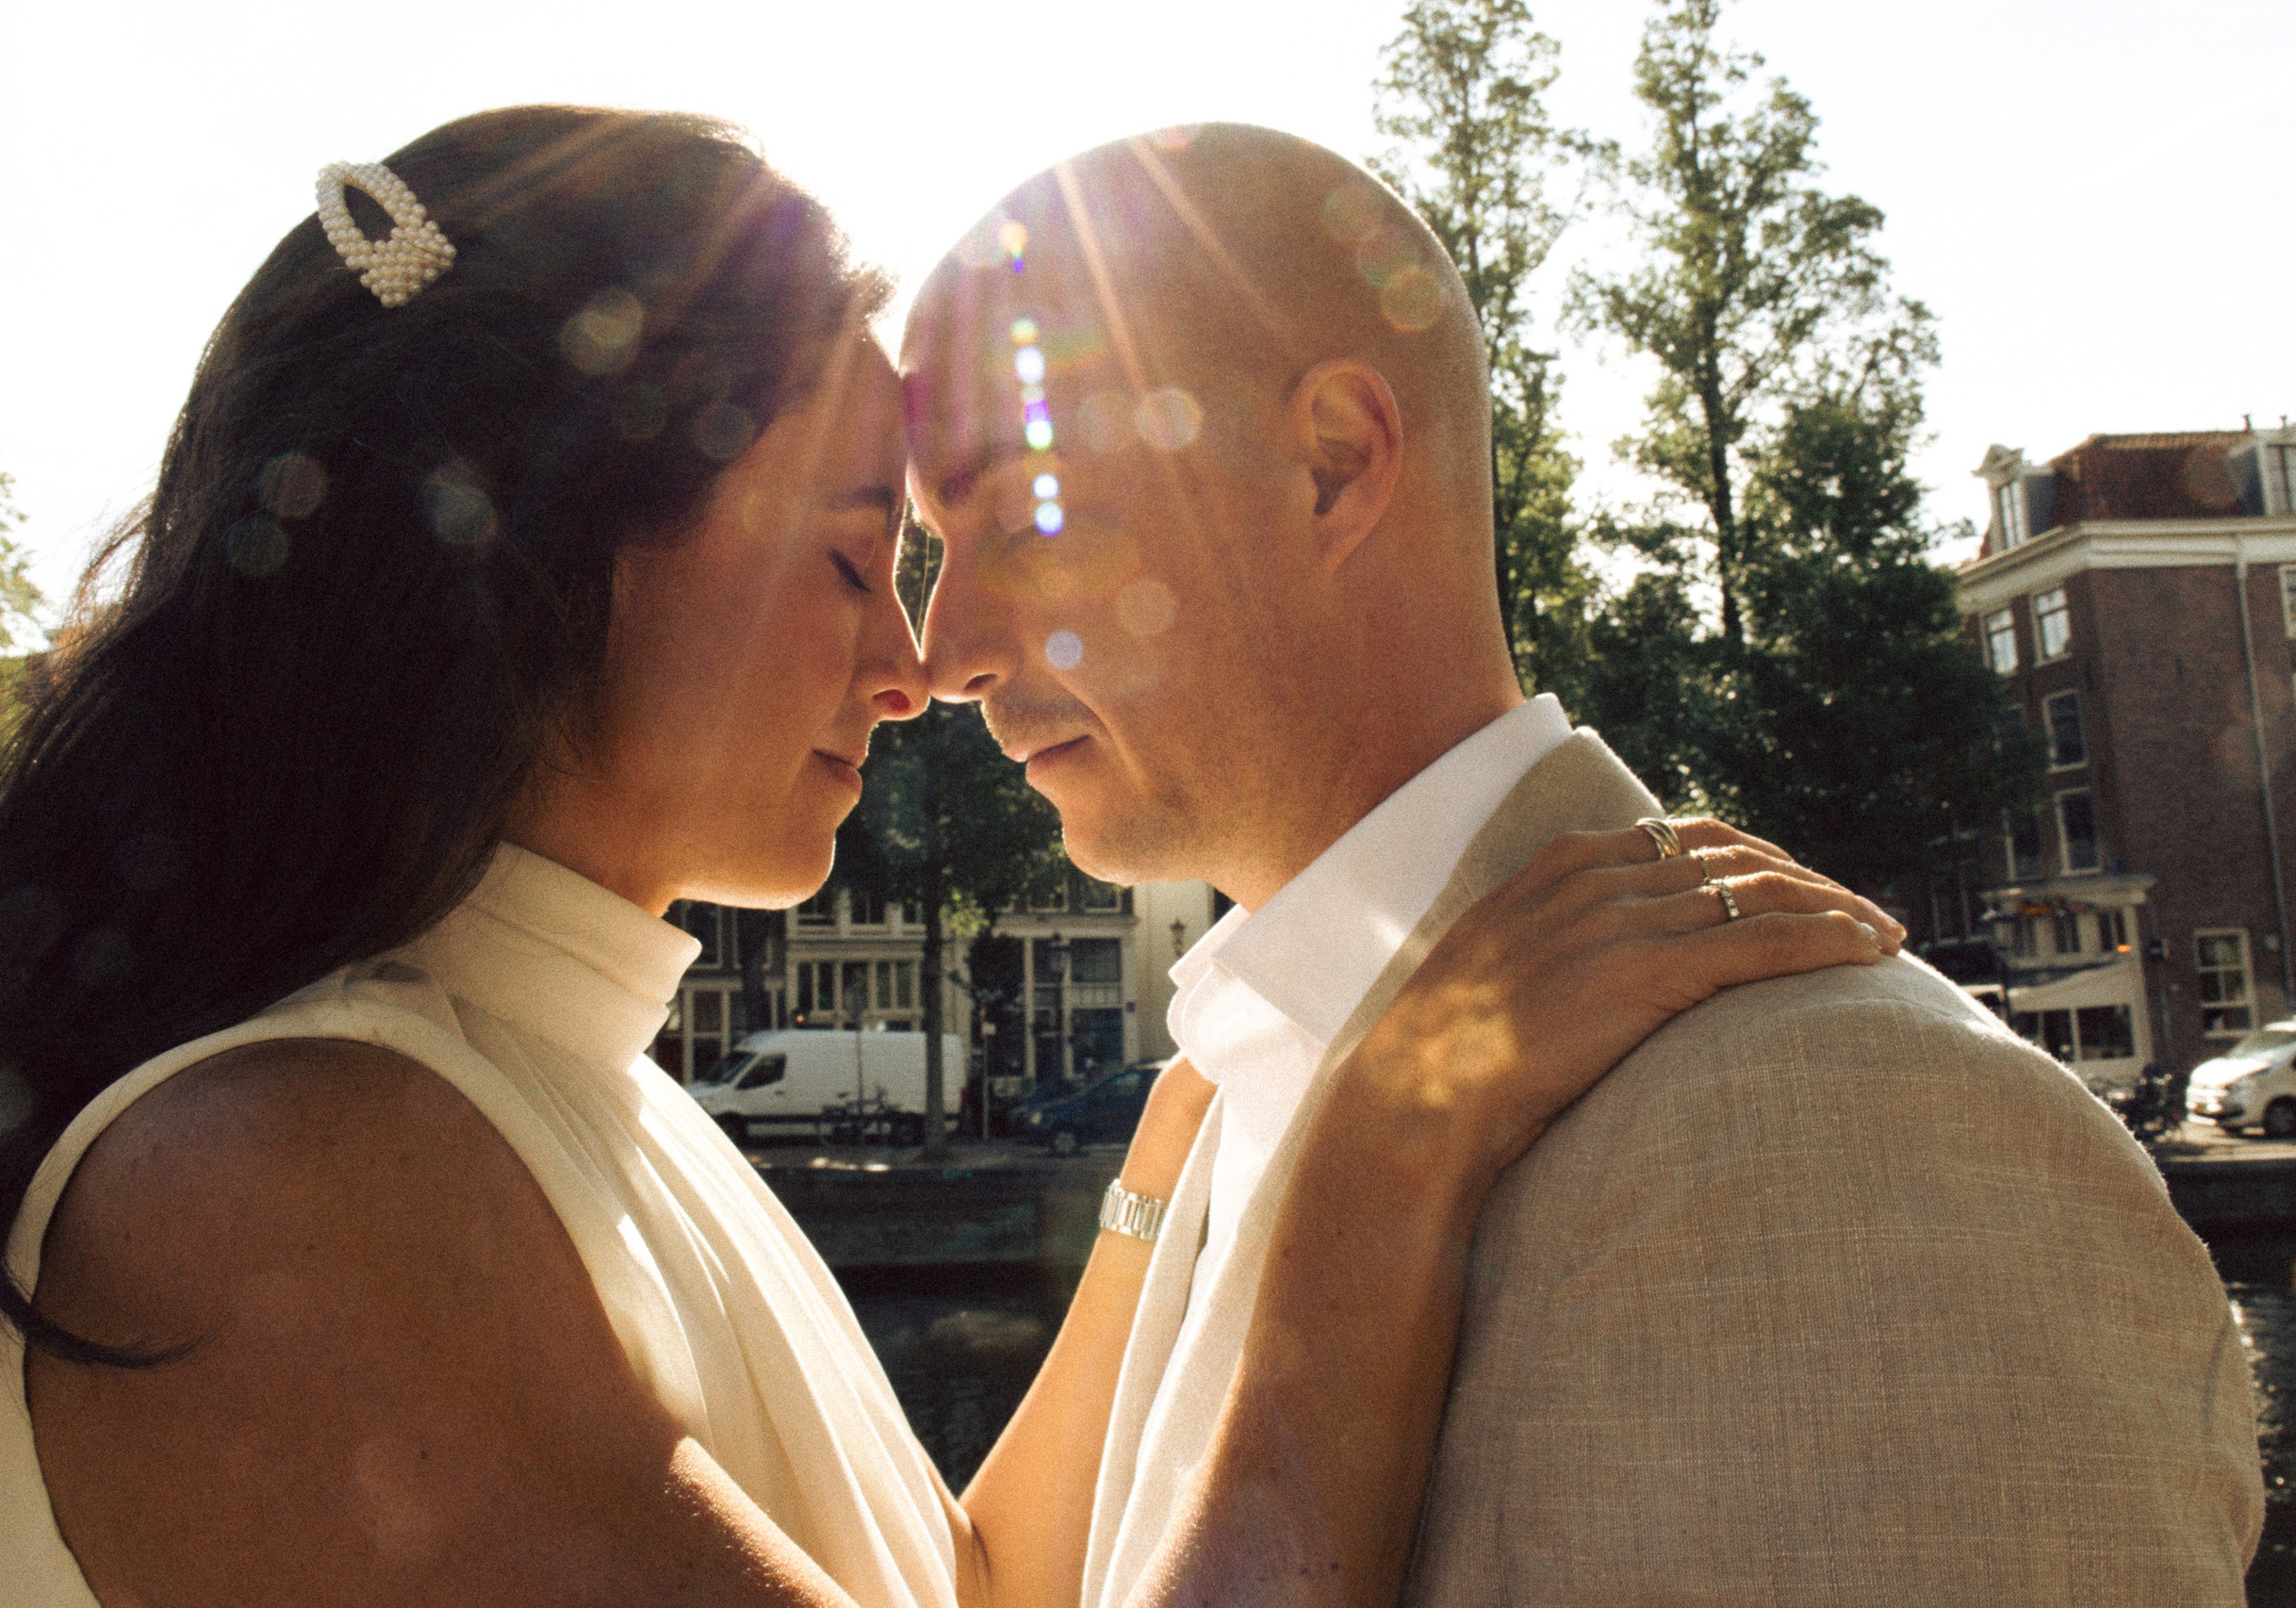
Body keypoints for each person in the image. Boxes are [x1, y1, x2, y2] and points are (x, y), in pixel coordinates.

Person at [0, 107, 1893, 1608]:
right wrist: (1384, 1145)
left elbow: (955, 1582)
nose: (919, 659)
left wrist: (1180, 1165)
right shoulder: (276, 1178)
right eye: (856, 553)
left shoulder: (554, 1097)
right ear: (537, 547)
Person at [903, 123, 2265, 1605]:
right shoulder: (1223, 1104)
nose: (944, 649)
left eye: (1019, 513)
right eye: (923, 541)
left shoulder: (1835, 1133)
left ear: (1332, 465)